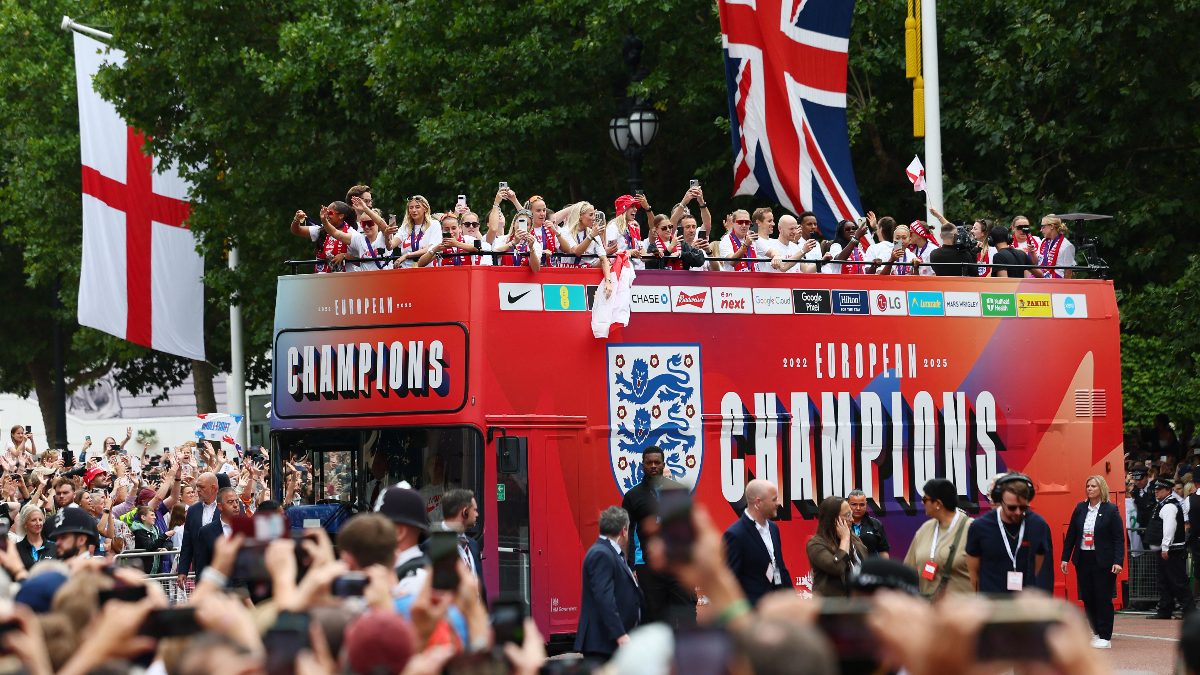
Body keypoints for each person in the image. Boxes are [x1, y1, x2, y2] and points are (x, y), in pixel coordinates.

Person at [620, 446, 695, 628]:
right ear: (642, 466)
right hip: (648, 567)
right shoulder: (633, 497)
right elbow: (626, 532)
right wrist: (631, 565)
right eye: (649, 463)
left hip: (678, 565)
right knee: (654, 619)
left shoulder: (677, 491)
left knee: (687, 615)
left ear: (663, 464)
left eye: (657, 462)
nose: (653, 466)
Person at [1060, 475, 1124, 647]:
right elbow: (1072, 535)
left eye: (1093, 486)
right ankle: (1096, 632)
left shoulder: (1111, 510)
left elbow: (1118, 538)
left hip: (1103, 560)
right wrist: (1065, 558)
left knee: (1103, 597)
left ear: (1101, 488)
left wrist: (1118, 561)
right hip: (1083, 558)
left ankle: (1105, 636)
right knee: (1088, 597)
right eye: (1088, 486)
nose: (1089, 489)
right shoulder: (1080, 508)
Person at [965, 472, 1053, 593]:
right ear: (1000, 500)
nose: (1018, 512)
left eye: (1023, 507)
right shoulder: (980, 527)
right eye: (1012, 507)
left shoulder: (1037, 525)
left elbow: (1040, 567)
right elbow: (973, 573)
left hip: (1025, 600)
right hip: (992, 600)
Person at [574, 506, 642, 661]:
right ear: (624, 530)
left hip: (607, 642)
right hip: (603, 643)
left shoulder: (609, 552)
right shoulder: (601, 554)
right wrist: (620, 635)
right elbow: (604, 597)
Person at [723, 479, 793, 605]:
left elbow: (779, 567)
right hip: (754, 609)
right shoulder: (736, 534)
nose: (778, 503)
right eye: (774, 499)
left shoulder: (773, 528)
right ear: (758, 502)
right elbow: (730, 580)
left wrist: (792, 599)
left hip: (777, 607)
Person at [904, 478, 972, 599]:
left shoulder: (972, 528)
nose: (922, 503)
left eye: (925, 499)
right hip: (930, 607)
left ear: (938, 504)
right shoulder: (924, 529)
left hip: (962, 608)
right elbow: (908, 569)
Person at [1147, 478, 1193, 619]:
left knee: (1178, 581)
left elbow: (1169, 528)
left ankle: (1190, 611)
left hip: (1172, 550)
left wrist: (1165, 547)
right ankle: (1165, 609)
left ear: (1168, 490)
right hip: (1168, 549)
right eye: (1155, 489)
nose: (1156, 492)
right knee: (1164, 581)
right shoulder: (1163, 504)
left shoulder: (1169, 506)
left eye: (1159, 489)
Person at [375, 484, 432, 595]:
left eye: (378, 526)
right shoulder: (393, 567)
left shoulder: (416, 578)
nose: (372, 532)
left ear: (399, 532)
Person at [805, 496, 867, 597]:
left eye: (851, 514)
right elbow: (837, 567)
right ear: (833, 519)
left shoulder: (854, 540)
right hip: (831, 603)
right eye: (847, 515)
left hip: (856, 601)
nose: (852, 519)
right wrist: (844, 539)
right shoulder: (815, 544)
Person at [437, 488, 486, 605]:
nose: (477, 514)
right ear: (465, 512)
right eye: (474, 510)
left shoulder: (473, 545)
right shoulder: (433, 547)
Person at [320, 201, 392, 272]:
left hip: (384, 277)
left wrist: (365, 209)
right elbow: (334, 232)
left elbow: (384, 226)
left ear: (377, 223)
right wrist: (324, 220)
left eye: (370, 223)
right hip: (367, 278)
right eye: (363, 224)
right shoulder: (358, 239)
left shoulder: (383, 235)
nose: (366, 227)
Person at [177, 472, 219, 587]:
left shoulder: (228, 507)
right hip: (201, 571)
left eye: (202, 487)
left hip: (224, 571)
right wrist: (182, 571)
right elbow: (187, 543)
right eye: (197, 486)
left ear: (214, 488)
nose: (198, 490)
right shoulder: (192, 510)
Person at [846, 490, 890, 558]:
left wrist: (885, 565)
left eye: (862, 504)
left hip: (871, 564)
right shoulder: (841, 524)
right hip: (847, 564)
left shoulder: (876, 524)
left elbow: (883, 551)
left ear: (866, 504)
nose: (858, 508)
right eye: (854, 504)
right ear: (847, 504)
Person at [1036, 214, 1077, 279]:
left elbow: (1068, 272)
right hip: (1042, 276)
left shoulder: (1067, 246)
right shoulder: (1043, 241)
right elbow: (1038, 261)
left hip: (1056, 280)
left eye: (1043, 227)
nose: (1041, 230)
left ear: (1052, 226)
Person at [15, 505, 51, 570]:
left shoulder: (54, 547)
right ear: (25, 524)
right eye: (33, 520)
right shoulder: (16, 549)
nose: (38, 523)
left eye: (40, 520)